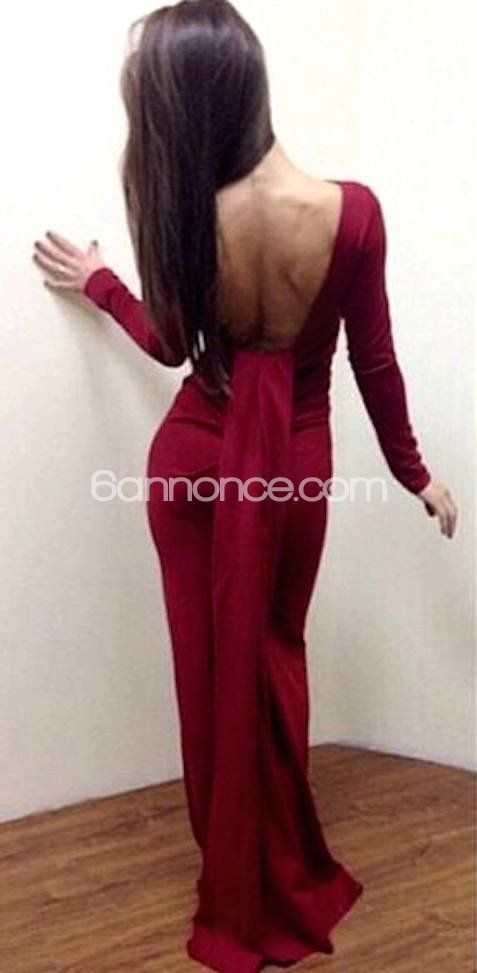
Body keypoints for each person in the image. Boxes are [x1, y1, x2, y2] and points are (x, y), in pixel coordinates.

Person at [32, 1, 458, 970]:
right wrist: (412, 472)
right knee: (272, 654)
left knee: (206, 666)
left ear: (177, 109)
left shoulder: (186, 212)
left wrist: (102, 281)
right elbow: (374, 362)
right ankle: (275, 858)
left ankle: (228, 860)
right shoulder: (354, 211)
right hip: (293, 467)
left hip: (192, 463)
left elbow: (167, 345)